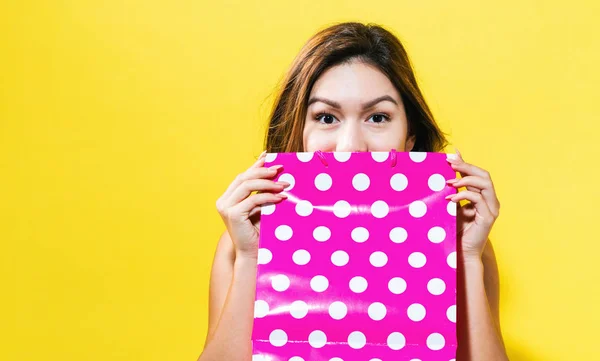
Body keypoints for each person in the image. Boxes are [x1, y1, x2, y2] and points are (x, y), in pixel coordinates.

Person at [199, 22, 508, 361]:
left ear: (411, 136)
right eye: (326, 117)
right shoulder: (245, 240)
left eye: (377, 117)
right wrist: (251, 258)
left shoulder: (463, 239)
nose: (350, 147)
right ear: (300, 130)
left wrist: (465, 256)